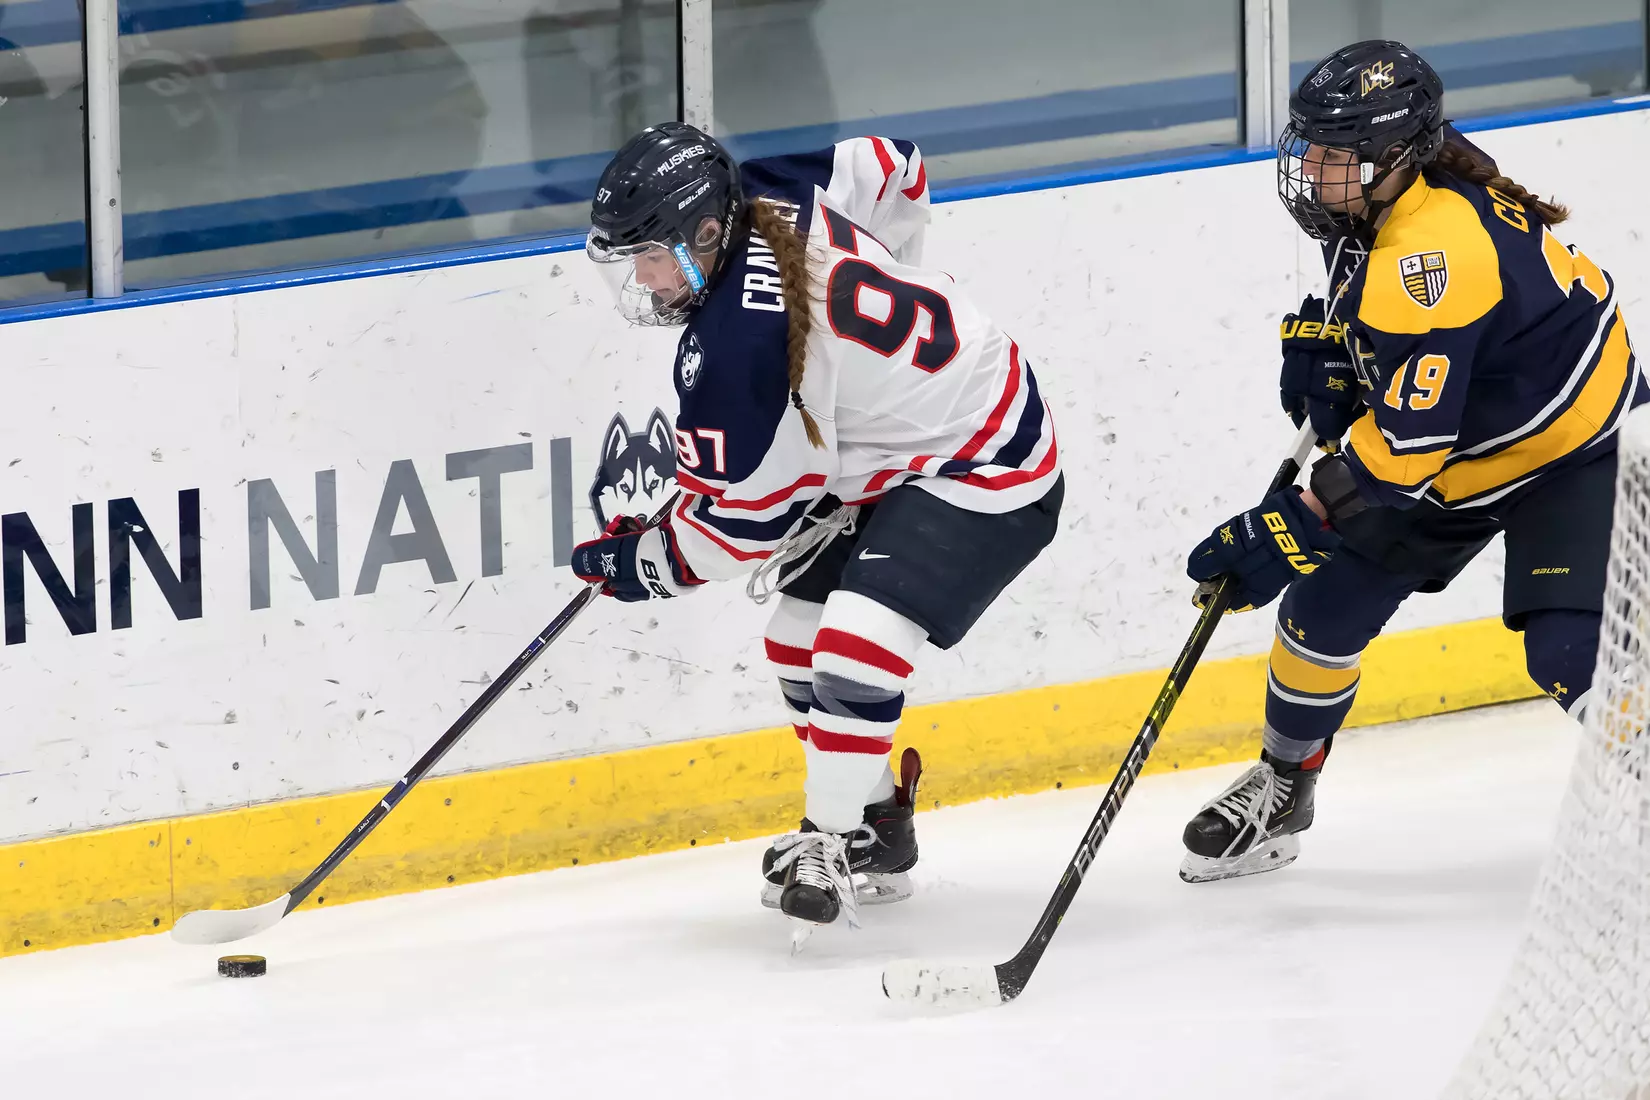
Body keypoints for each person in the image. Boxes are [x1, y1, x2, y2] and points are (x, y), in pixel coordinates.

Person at [569, 123, 1063, 928]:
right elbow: (894, 162)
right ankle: (876, 826)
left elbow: (738, 537)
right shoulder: (761, 184)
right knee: (794, 636)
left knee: (854, 644)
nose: (645, 279)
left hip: (989, 453)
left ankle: (828, 838)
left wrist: (642, 563)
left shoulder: (735, 350)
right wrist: (895, 269)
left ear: (704, 231)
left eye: (652, 255)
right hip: (910, 441)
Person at [1178, 40, 1645, 884]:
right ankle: (1287, 788)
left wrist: (1291, 521)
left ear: (1392, 154)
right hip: (1463, 446)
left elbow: (1402, 457)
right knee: (1316, 623)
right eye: (1310, 145)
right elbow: (1412, 372)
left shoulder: (1432, 255)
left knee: (1572, 652)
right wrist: (1340, 351)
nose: (1311, 167)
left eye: (1333, 152)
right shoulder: (1386, 198)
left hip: (1576, 446)